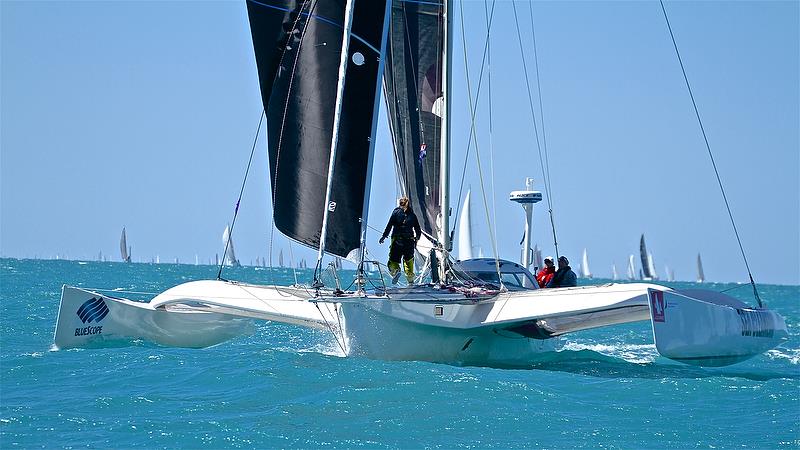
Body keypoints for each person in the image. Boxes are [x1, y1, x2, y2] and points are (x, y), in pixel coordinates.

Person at [379, 197, 421, 284]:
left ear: (400, 203)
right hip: (409, 242)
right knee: (408, 262)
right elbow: (418, 229)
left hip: (397, 241)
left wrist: (384, 236)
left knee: (392, 262)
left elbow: (389, 225)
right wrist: (417, 239)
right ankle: (410, 281)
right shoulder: (413, 216)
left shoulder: (396, 213)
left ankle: (396, 271)